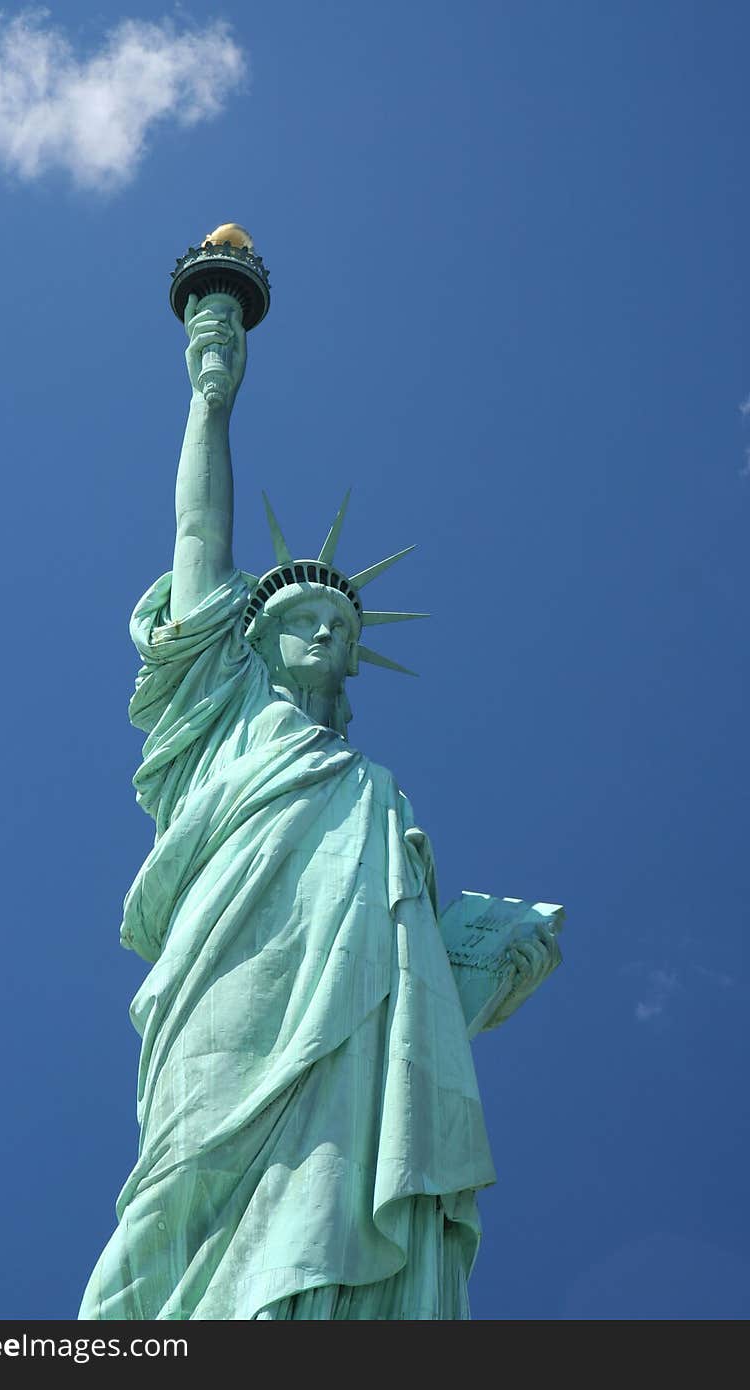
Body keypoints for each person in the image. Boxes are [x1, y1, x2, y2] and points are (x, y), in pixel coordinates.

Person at [78, 296, 561, 1321]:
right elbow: (200, 532)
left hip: (355, 1018)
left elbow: (418, 980)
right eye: (293, 616)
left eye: (333, 623)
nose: (315, 633)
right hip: (232, 975)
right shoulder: (223, 719)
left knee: (339, 1191)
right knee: (183, 1180)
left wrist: (483, 945)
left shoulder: (375, 795)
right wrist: (211, 398)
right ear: (249, 640)